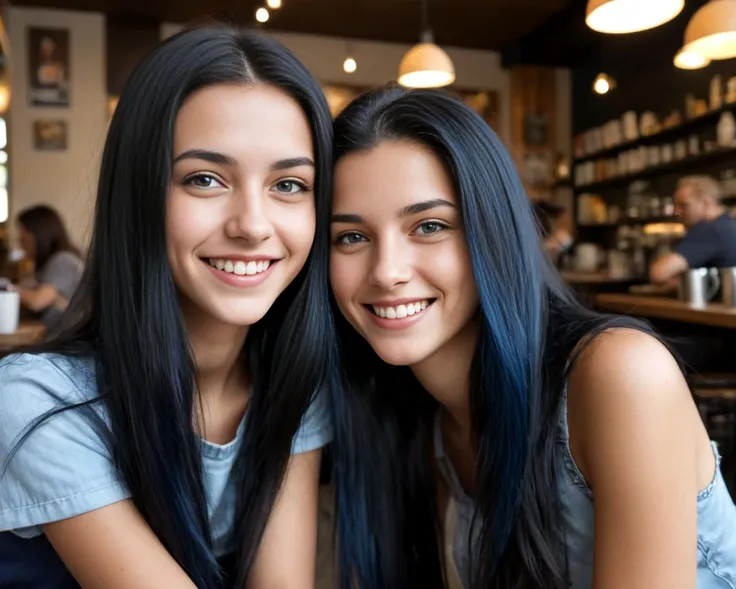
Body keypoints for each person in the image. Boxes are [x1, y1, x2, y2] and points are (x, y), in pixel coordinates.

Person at [328, 87, 736, 589]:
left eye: (429, 225)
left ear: (493, 228)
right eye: (351, 236)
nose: (386, 271)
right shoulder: (409, 419)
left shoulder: (620, 375)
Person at [0, 26, 336, 589]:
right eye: (205, 179)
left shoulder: (294, 382)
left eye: (289, 184)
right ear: (139, 192)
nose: (253, 225)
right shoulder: (39, 403)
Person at [650, 175, 736, 284]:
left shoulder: (710, 230)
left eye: (683, 205)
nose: (676, 212)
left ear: (705, 203)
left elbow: (659, 273)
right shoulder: (729, 223)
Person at [16, 205, 84, 329]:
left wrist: (10, 290)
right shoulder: (49, 263)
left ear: (39, 235)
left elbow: (37, 301)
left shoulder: (63, 260)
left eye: (23, 238)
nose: (20, 243)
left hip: (68, 341)